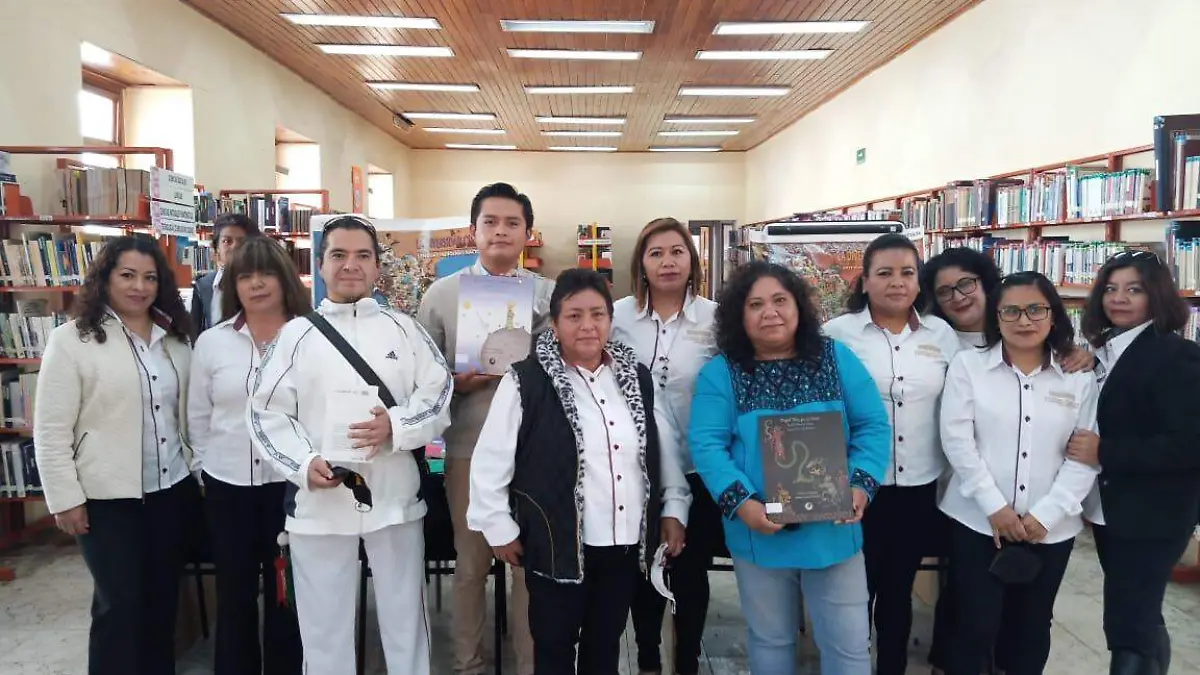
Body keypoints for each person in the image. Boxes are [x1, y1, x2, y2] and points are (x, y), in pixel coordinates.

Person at [247, 215, 453, 675]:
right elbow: (265, 413)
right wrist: (303, 463)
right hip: (320, 504)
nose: (350, 265)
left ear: (378, 267)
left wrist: (396, 427)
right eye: (338, 254)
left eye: (362, 255)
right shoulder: (294, 337)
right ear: (320, 265)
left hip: (396, 499)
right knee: (322, 631)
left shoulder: (405, 330)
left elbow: (438, 394)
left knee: (406, 623)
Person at [468, 269, 690, 675]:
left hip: (622, 542)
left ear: (610, 320)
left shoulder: (634, 376)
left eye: (597, 315)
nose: (588, 326)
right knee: (553, 649)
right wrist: (498, 526)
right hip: (558, 541)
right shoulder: (527, 380)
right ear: (555, 324)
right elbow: (491, 460)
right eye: (574, 316)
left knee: (604, 647)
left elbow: (662, 449)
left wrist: (674, 505)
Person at [690, 262, 891, 675]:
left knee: (849, 644)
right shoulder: (721, 373)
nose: (770, 312)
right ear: (738, 315)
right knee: (770, 641)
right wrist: (742, 503)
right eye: (756, 304)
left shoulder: (837, 359)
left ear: (798, 307)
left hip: (834, 531)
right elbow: (707, 445)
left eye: (780, 300)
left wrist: (860, 486)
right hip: (759, 532)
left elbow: (872, 426)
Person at [921, 246, 1095, 673]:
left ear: (1054, 315)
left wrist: (1046, 516)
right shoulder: (969, 367)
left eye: (1035, 310)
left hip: (1050, 529)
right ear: (996, 318)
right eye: (1011, 312)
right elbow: (957, 440)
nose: (1024, 321)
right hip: (976, 520)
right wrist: (995, 508)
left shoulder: (1080, 378)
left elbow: (1085, 456)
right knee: (975, 623)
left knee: (1032, 625)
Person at [33, 234, 199, 675]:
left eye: (148, 277)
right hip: (107, 500)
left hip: (172, 492)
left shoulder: (176, 340)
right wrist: (64, 497)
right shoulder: (72, 341)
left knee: (163, 605)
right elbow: (50, 429)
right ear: (104, 279)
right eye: (127, 275)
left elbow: (186, 420)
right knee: (119, 607)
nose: (138, 287)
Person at [416, 182, 551, 675]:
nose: (500, 231)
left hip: (532, 451)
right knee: (470, 565)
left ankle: (528, 664)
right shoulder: (441, 296)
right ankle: (466, 664)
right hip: (466, 447)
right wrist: (461, 383)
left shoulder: (547, 296)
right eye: (490, 222)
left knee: (527, 569)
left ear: (526, 233)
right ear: (473, 231)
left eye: (512, 223)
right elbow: (421, 384)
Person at [821, 234, 959, 675]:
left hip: (918, 487)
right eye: (884, 273)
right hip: (857, 487)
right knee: (853, 591)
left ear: (919, 283)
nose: (896, 283)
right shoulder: (836, 334)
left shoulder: (942, 335)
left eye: (907, 273)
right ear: (864, 282)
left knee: (899, 592)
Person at [1070, 250, 1200, 675]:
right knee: (1140, 614)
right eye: (1110, 289)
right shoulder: (1107, 349)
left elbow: (1188, 445)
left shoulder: (1177, 355)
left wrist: (1104, 452)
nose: (1119, 298)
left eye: (1134, 290)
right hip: (1115, 511)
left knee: (1129, 621)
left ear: (1156, 295)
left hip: (1153, 514)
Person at [189, 237, 308, 675]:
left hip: (289, 486)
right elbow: (198, 415)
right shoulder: (212, 343)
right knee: (235, 594)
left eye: (266, 273)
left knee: (285, 592)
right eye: (245, 276)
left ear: (284, 279)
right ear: (232, 286)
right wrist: (204, 470)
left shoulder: (308, 336)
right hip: (228, 486)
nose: (256, 284)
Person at [613, 217, 721, 675]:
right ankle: (649, 655)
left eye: (677, 251)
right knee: (642, 568)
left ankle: (688, 658)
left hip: (698, 466)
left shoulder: (715, 318)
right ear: (641, 263)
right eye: (656, 253)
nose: (668, 261)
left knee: (691, 570)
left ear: (691, 259)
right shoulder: (616, 316)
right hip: (635, 466)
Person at [192, 212, 261, 340]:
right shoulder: (204, 286)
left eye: (242, 241)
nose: (234, 246)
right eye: (226, 241)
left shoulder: (264, 285)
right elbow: (195, 335)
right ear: (216, 248)